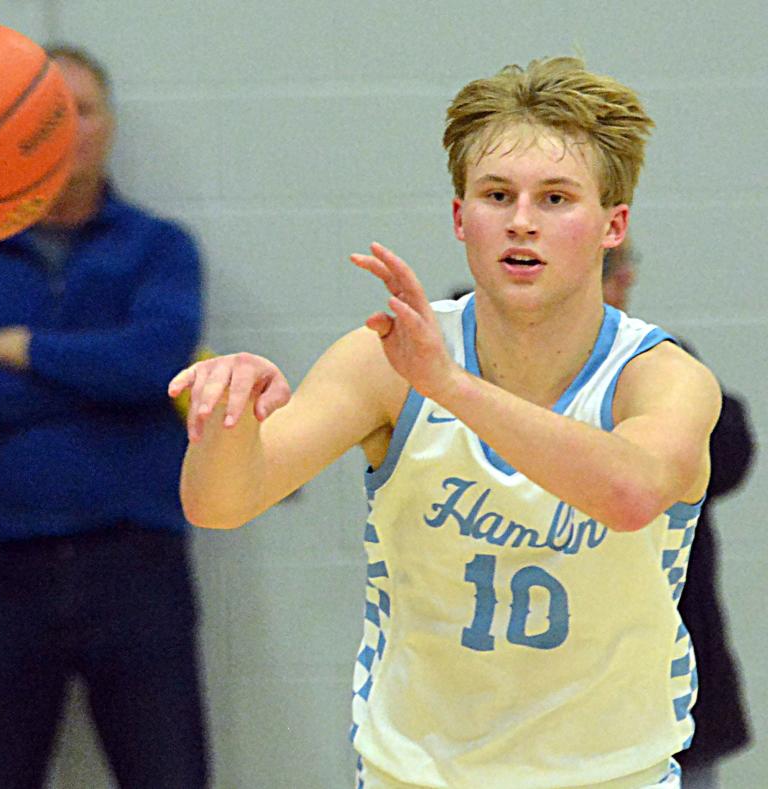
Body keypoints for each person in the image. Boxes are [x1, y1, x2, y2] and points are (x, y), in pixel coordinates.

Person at [169, 57, 722, 788]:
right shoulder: (384, 360)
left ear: (611, 226)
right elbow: (219, 502)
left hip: (613, 774)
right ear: (462, 216)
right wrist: (227, 416)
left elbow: (629, 495)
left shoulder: (660, 377)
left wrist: (450, 387)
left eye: (556, 197)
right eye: (498, 194)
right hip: (418, 774)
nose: (522, 219)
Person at [0, 45, 208, 788]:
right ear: (11, 127)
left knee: (171, 774)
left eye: (80, 109)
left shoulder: (160, 248)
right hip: (4, 571)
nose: (65, 127)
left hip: (137, 565)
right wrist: (104, 377)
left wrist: (26, 349)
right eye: (45, 112)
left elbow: (158, 361)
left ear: (108, 125)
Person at [603, 242, 754, 788]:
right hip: (530, 696)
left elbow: (731, 455)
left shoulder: (658, 364)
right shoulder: (467, 370)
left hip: (668, 682)